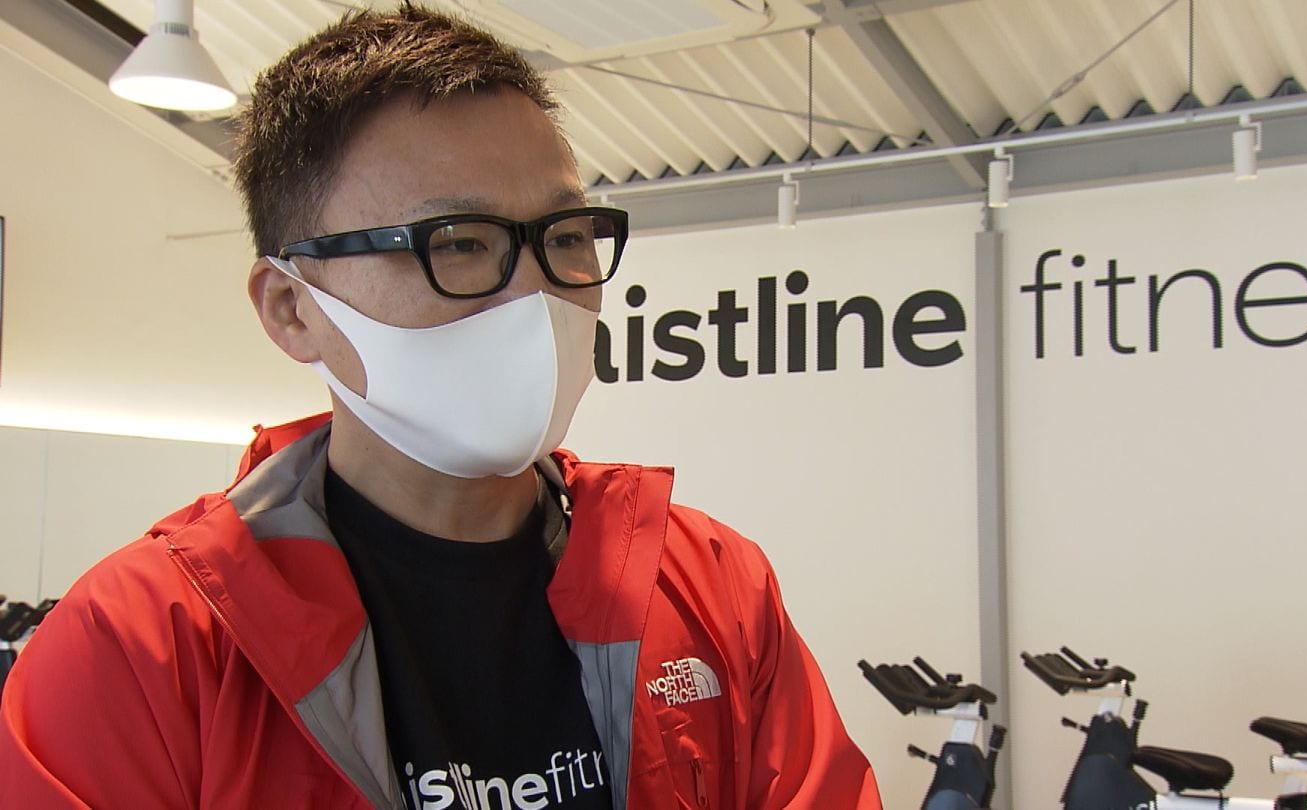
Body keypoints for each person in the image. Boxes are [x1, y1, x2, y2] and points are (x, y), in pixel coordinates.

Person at [0, 4, 880, 809]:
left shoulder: (713, 587)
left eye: (566, 236)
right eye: (456, 242)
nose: (537, 292)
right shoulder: (144, 646)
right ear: (293, 309)